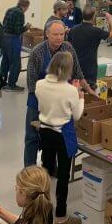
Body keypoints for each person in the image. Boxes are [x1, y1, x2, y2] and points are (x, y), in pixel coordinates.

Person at [25, 20, 90, 167]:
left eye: (62, 34)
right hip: (38, 99)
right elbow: (32, 84)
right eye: (55, 34)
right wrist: (47, 100)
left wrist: (89, 90)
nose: (59, 38)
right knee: (32, 137)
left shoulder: (68, 48)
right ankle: (29, 171)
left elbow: (77, 73)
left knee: (55, 136)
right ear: (47, 34)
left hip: (61, 99)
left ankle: (49, 167)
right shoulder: (37, 52)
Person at [36, 52, 85, 224]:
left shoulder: (39, 84)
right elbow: (77, 116)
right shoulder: (70, 90)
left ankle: (41, 208)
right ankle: (61, 216)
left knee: (46, 171)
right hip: (62, 135)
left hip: (45, 131)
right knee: (63, 176)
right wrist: (80, 97)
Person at [68, 6, 112, 89]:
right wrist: (110, 20)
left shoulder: (74, 29)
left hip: (76, 66)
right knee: (89, 89)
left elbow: (69, 44)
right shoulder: (96, 31)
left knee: (76, 89)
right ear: (93, 17)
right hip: (90, 67)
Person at [1, 0, 31, 92]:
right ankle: (12, 85)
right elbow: (18, 30)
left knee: (5, 61)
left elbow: (3, 23)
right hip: (13, 39)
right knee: (15, 63)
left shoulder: (9, 10)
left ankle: (2, 81)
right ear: (26, 6)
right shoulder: (20, 13)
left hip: (4, 37)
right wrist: (26, 27)